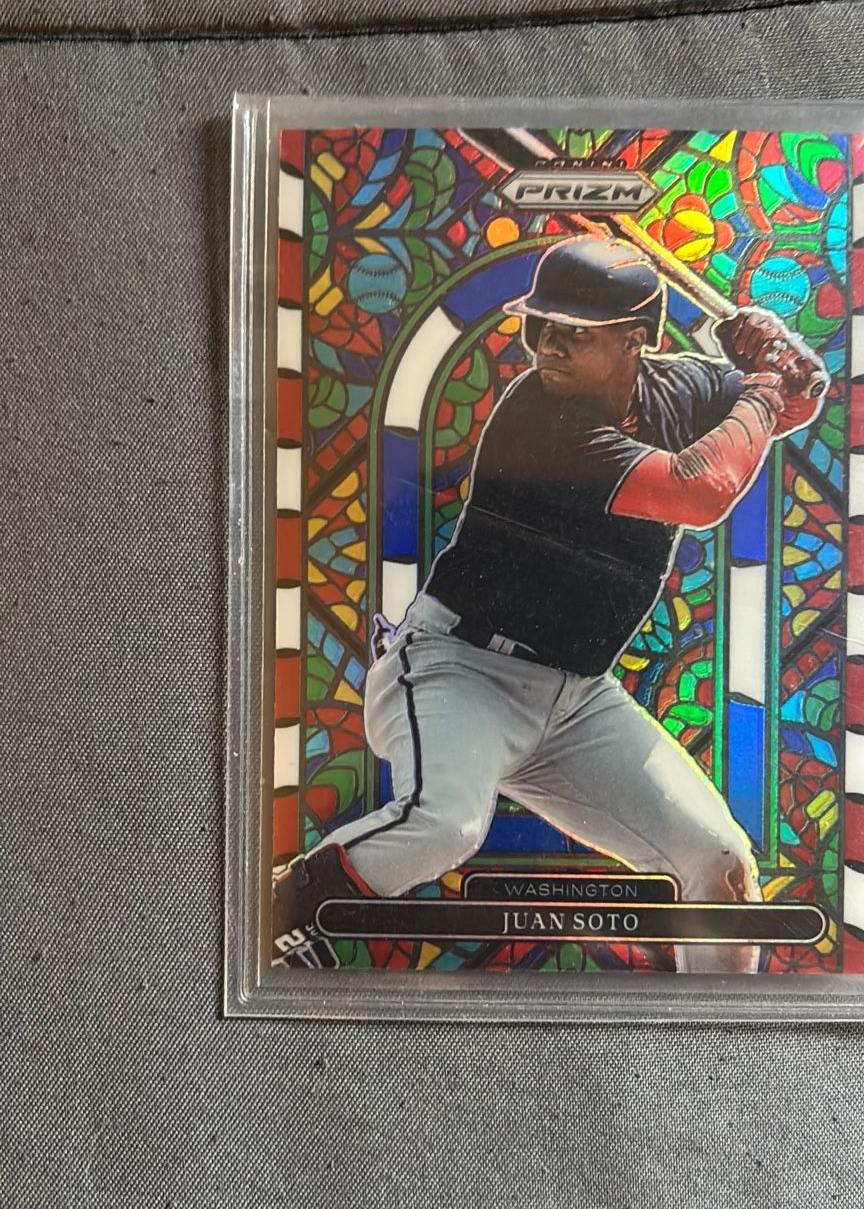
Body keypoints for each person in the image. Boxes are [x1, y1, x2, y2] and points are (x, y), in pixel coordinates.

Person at [274, 236, 825, 972]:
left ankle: (719, 1026)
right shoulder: (538, 418)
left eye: (576, 332)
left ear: (636, 340)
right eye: (541, 326)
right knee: (446, 825)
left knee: (719, 862)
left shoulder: (680, 388)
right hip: (459, 670)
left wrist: (786, 359)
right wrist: (761, 386)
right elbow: (703, 490)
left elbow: (794, 403)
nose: (549, 346)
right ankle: (277, 915)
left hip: (577, 700)